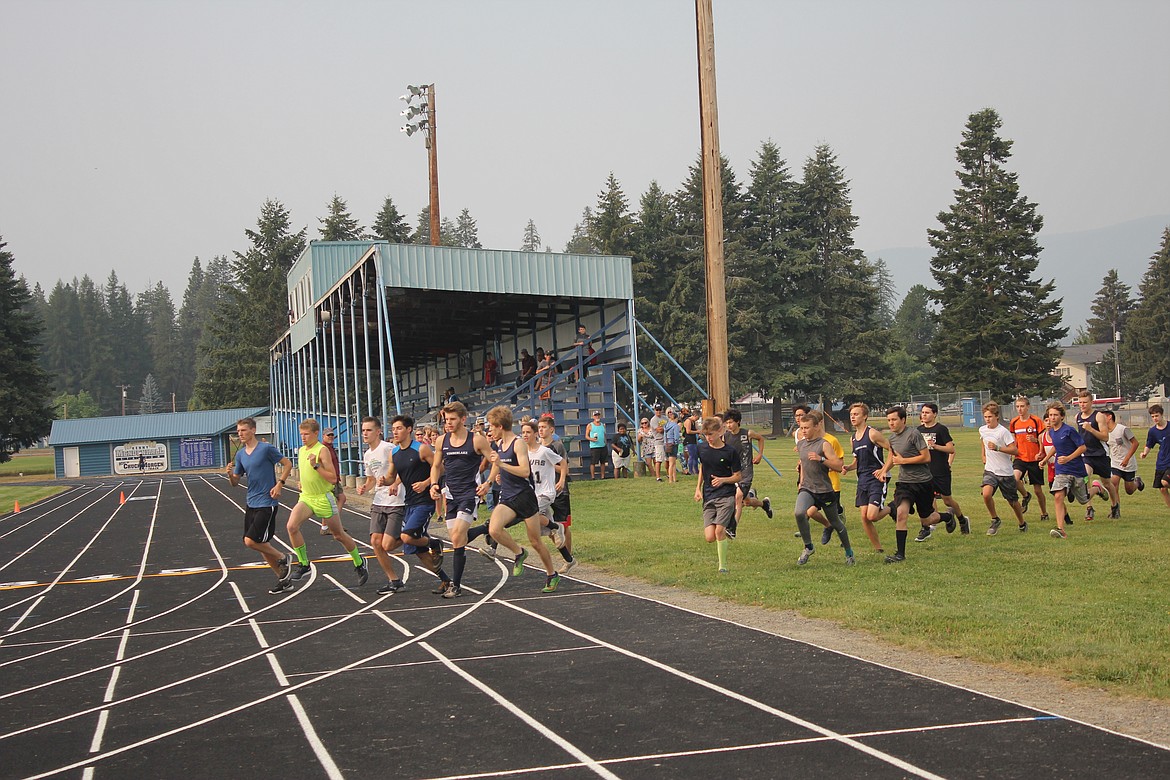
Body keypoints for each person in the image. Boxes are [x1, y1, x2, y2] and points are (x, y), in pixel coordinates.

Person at [483, 405, 561, 593]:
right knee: (494, 529)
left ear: (500, 426)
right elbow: (496, 465)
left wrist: (502, 464)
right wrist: (488, 482)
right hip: (508, 495)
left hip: (525, 496)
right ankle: (519, 553)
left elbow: (525, 471)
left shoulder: (517, 444)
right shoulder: (498, 444)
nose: (489, 431)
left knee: (535, 541)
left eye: (492, 427)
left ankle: (552, 574)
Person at [286, 419, 369, 586]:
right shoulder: (302, 450)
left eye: (306, 434)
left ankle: (359, 562)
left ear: (316, 434)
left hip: (323, 498)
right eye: (301, 434)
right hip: (307, 497)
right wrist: (303, 481)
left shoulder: (322, 450)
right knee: (291, 527)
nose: (303, 437)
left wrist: (316, 466)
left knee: (338, 535)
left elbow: (332, 478)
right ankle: (304, 564)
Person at [876, 407, 957, 563]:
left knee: (927, 520)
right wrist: (883, 470)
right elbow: (893, 458)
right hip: (905, 484)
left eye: (894, 419)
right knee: (901, 514)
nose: (891, 423)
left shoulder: (913, 434)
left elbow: (926, 457)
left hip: (923, 483)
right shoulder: (892, 439)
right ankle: (900, 554)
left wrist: (903, 461)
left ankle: (947, 516)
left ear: (903, 420)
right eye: (889, 420)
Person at [428, 401, 492, 598]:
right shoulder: (441, 441)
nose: (448, 423)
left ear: (463, 419)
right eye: (446, 419)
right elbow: (436, 465)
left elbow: (494, 459)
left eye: (452, 419)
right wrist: (433, 484)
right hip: (451, 494)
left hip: (468, 494)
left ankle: (456, 586)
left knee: (457, 537)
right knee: (457, 540)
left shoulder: (476, 440)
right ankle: (485, 529)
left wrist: (488, 482)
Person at [227, 417, 294, 594]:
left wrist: (280, 483)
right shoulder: (241, 454)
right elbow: (235, 482)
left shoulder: (266, 449)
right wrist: (229, 475)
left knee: (250, 541)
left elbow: (287, 464)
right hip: (251, 502)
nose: (240, 434)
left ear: (253, 430)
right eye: (239, 431)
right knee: (261, 543)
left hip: (267, 502)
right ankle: (284, 580)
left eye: (244, 430)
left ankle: (282, 557)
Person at [794, 410, 853, 566]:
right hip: (807, 488)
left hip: (825, 490)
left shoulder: (824, 444)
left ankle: (849, 553)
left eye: (806, 428)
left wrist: (821, 459)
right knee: (799, 513)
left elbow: (839, 466)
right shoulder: (801, 444)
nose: (803, 431)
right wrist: (801, 482)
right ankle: (808, 547)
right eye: (801, 428)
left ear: (815, 427)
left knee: (836, 523)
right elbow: (803, 466)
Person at [355, 416, 407, 595]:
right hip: (378, 501)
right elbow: (371, 479)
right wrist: (365, 487)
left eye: (368, 430)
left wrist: (395, 483)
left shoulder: (388, 448)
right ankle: (394, 579)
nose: (365, 434)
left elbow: (403, 470)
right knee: (375, 542)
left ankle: (413, 538)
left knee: (388, 544)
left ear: (378, 432)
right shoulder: (367, 454)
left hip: (395, 500)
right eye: (363, 430)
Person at [694, 416, 742, 574]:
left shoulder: (730, 452)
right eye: (706, 435)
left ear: (720, 432)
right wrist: (698, 488)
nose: (709, 438)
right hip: (709, 495)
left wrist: (723, 480)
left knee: (719, 531)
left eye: (711, 434)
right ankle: (729, 521)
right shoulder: (702, 448)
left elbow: (738, 476)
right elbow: (703, 467)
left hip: (726, 495)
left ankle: (723, 566)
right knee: (709, 537)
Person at [917, 403, 971, 537]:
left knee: (947, 500)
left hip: (941, 471)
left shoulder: (941, 429)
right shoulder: (918, 430)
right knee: (926, 500)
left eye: (927, 412)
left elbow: (951, 449)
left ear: (934, 414)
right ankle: (926, 528)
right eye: (923, 412)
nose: (924, 415)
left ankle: (962, 520)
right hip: (925, 472)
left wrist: (935, 446)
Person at [843, 403, 890, 553]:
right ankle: (878, 548)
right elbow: (858, 461)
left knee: (872, 516)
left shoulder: (873, 434)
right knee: (864, 517)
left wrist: (884, 470)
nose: (853, 417)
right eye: (851, 414)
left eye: (856, 414)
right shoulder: (853, 438)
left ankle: (892, 508)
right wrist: (849, 467)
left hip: (876, 479)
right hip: (862, 480)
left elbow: (893, 451)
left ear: (865, 416)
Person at [720, 408, 772, 540]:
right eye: (726, 423)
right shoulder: (725, 436)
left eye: (731, 422)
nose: (728, 425)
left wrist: (760, 455)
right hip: (732, 473)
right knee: (747, 502)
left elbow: (761, 439)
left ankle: (732, 528)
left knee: (738, 498)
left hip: (746, 472)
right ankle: (764, 504)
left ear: (738, 422)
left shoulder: (747, 433)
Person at [979, 402, 1027, 535]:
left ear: (996, 416)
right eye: (985, 416)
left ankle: (1022, 522)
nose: (987, 419)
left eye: (990, 416)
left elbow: (1015, 450)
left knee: (1012, 501)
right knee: (986, 494)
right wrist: (983, 455)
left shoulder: (1003, 432)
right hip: (990, 469)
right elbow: (983, 441)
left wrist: (998, 448)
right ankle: (995, 519)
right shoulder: (982, 429)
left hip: (1005, 472)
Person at [1042, 401, 1089, 538]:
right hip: (1061, 470)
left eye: (1055, 415)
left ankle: (1097, 489)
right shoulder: (1052, 432)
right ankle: (1061, 529)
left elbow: (1082, 448)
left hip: (1076, 469)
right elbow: (1056, 447)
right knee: (1058, 496)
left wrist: (1068, 458)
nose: (1052, 418)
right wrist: (1045, 459)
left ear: (1062, 416)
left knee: (1084, 500)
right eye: (1050, 415)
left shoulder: (1069, 430)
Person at [539, 414, 578, 572]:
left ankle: (568, 557)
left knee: (563, 525)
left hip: (559, 490)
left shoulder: (557, 446)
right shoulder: (536, 447)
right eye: (539, 428)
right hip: (543, 491)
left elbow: (564, 468)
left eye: (544, 428)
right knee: (548, 525)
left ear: (551, 429)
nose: (541, 430)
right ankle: (564, 553)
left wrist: (549, 464)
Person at [1075, 390, 1116, 519]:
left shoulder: (1098, 416)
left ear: (1091, 402)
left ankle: (1115, 506)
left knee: (1108, 483)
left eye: (1085, 402)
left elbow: (1105, 437)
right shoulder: (1078, 417)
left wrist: (1091, 429)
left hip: (1101, 454)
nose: (1082, 405)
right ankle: (1089, 508)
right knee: (1085, 477)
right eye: (1080, 402)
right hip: (1086, 454)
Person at [1009, 397, 1050, 524]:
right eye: (1017, 407)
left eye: (1022, 406)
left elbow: (1042, 439)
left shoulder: (1036, 421)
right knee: (1014, 479)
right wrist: (1011, 453)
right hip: (1020, 457)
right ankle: (1026, 495)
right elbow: (1014, 440)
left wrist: (1036, 444)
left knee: (1038, 490)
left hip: (1034, 459)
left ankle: (1044, 512)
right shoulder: (1014, 422)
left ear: (1028, 407)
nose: (1020, 409)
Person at [1104, 409, 1142, 512]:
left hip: (1128, 464)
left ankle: (1137, 482)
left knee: (1129, 490)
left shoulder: (1123, 429)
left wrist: (1126, 459)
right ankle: (1116, 509)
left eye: (1102, 417)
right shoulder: (1105, 433)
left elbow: (1135, 443)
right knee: (1113, 483)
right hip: (1115, 463)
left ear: (1109, 417)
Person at [318, 427, 347, 535]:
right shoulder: (323, 448)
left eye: (332, 435)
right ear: (323, 436)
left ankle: (328, 526)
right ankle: (330, 526)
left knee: (340, 499)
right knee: (332, 502)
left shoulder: (330, 447)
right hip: (329, 479)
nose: (330, 437)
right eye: (328, 435)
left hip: (334, 478)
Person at [1140, 404, 1170, 510]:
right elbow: (1149, 444)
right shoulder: (1152, 431)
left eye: (1157, 415)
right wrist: (1144, 453)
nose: (1155, 418)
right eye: (1152, 416)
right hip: (1161, 462)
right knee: (1162, 489)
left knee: (1165, 482)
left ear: (1162, 415)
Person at [585, 410, 608, 479]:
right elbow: (586, 436)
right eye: (595, 415)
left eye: (598, 415)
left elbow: (604, 435)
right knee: (593, 462)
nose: (597, 416)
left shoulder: (603, 425)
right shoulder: (590, 425)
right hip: (594, 446)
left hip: (602, 446)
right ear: (593, 417)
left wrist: (605, 443)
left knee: (603, 462)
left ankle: (603, 476)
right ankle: (593, 477)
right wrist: (591, 439)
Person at [650, 403, 668, 481]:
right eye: (657, 410)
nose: (658, 411)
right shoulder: (653, 420)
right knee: (659, 460)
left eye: (660, 410)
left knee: (667, 459)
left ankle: (668, 474)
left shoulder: (665, 418)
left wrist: (664, 428)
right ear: (654, 410)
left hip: (667, 440)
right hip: (659, 441)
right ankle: (658, 477)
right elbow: (659, 430)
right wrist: (666, 429)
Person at [664, 408, 681, 483]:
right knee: (672, 464)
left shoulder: (666, 425)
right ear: (676, 418)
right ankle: (670, 479)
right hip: (673, 445)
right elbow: (676, 437)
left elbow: (664, 436)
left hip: (667, 445)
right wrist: (677, 443)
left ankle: (674, 478)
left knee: (672, 463)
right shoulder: (675, 426)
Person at [681, 407, 700, 476]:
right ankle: (691, 470)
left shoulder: (693, 422)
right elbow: (688, 431)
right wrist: (697, 431)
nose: (697, 419)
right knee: (691, 456)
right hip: (689, 441)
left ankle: (696, 470)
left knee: (695, 456)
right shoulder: (688, 421)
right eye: (697, 418)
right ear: (695, 415)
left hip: (693, 440)